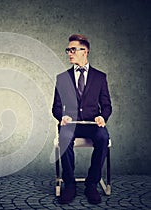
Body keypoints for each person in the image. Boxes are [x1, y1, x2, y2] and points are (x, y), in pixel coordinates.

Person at [52, 34, 112, 204]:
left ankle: (91, 184)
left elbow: (106, 105)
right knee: (64, 137)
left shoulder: (100, 77)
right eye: (68, 50)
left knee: (103, 138)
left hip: (93, 124)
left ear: (85, 51)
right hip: (71, 124)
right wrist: (61, 116)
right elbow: (56, 107)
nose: (69, 53)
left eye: (73, 50)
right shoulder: (62, 78)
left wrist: (102, 116)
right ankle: (69, 184)